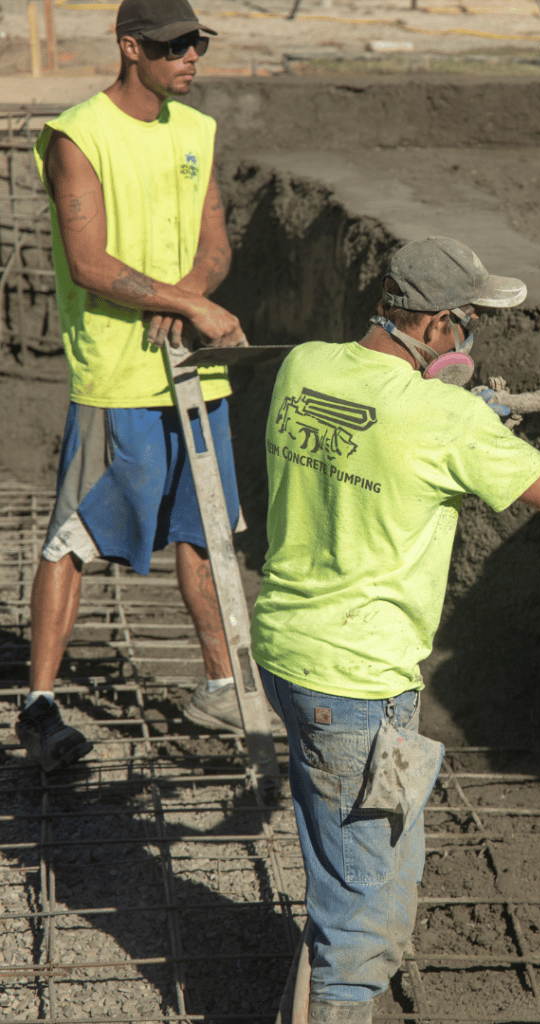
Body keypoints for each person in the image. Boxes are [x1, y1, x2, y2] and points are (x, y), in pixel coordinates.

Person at [250, 236, 540, 1023]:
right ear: (436, 327)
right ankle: (340, 994)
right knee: (358, 929)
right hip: (357, 684)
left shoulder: (306, 365)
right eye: (468, 323)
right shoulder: (440, 419)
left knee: (366, 857)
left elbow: (374, 424)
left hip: (292, 653)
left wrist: (470, 415)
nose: (473, 339)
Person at [20, 0, 255, 773]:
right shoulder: (78, 136)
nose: (191, 57)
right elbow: (88, 262)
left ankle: (223, 684)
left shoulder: (195, 131)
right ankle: (40, 704)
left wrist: (187, 293)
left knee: (204, 528)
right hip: (115, 376)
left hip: (189, 368)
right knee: (75, 534)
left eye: (196, 43)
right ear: (130, 48)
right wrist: (183, 303)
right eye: (174, 47)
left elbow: (214, 240)